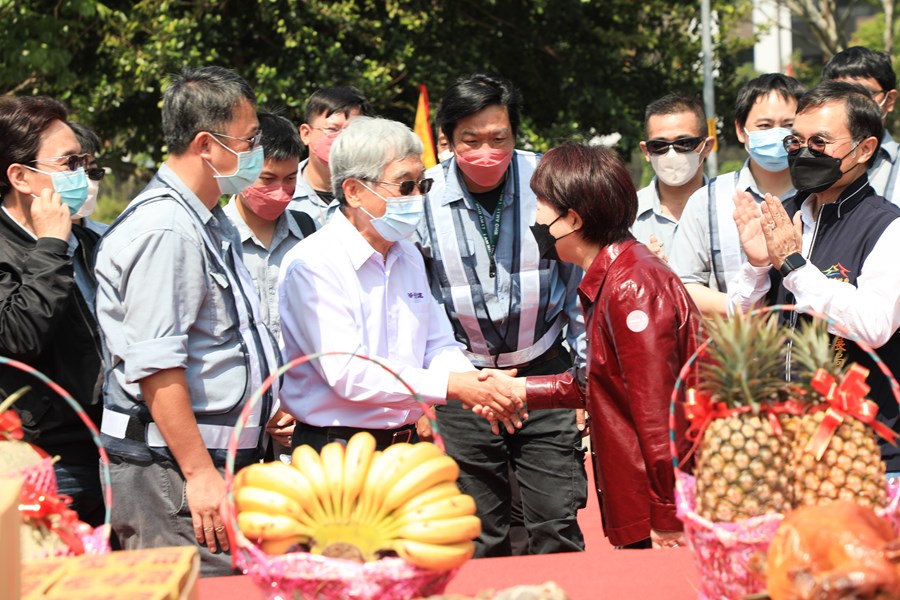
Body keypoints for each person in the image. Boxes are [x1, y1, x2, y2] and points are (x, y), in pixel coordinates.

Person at [94, 66, 282, 576]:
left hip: (206, 464)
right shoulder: (168, 229)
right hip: (172, 474)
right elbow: (157, 366)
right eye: (249, 141)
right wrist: (199, 473)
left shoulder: (204, 218)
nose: (255, 154)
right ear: (206, 144)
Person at [278, 116, 525, 453]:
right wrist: (455, 386)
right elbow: (349, 373)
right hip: (336, 450)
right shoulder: (314, 264)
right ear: (354, 191)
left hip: (405, 448)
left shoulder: (406, 254)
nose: (417, 198)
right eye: (405, 186)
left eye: (422, 185)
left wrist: (480, 384)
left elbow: (437, 344)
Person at [416, 74, 588, 558]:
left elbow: (579, 284)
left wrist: (584, 379)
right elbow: (418, 298)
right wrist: (431, 393)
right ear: (448, 138)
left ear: (515, 133)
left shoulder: (549, 184)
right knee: (474, 532)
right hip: (464, 383)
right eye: (472, 140)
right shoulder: (421, 196)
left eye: (500, 138)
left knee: (556, 521)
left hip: (545, 374)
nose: (487, 152)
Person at [508, 143, 701, 549]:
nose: (535, 218)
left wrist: (668, 515)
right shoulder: (615, 275)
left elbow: (657, 413)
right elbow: (600, 381)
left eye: (541, 206)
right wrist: (517, 390)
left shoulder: (631, 287)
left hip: (656, 513)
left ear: (571, 218)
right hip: (644, 502)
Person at [729, 80, 900, 474]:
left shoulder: (885, 227)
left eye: (820, 142)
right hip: (781, 437)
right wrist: (758, 264)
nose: (804, 153)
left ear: (865, 149)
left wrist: (793, 265)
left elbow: (873, 326)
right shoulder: (781, 214)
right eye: (795, 142)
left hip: (858, 447)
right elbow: (740, 319)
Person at [0, 96, 105, 527]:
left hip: (109, 447)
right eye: (69, 164)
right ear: (21, 176)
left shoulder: (87, 240)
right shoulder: (45, 243)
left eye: (84, 163)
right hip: (48, 458)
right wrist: (49, 247)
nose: (81, 176)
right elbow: (18, 334)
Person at [668, 74, 804, 315]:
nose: (778, 134)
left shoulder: (820, 198)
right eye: (764, 126)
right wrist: (741, 308)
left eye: (788, 125)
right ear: (741, 131)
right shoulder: (707, 200)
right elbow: (683, 284)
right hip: (736, 347)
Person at [632, 93, 713, 261]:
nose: (671, 154)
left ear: (707, 147)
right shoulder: (625, 217)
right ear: (646, 151)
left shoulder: (732, 210)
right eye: (658, 145)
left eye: (683, 143)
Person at [822, 46, 900, 206]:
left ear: (890, 100)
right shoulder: (810, 159)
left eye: (864, 94)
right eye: (840, 94)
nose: (852, 105)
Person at [290, 86, 371, 227]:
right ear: (306, 134)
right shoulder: (281, 191)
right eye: (333, 130)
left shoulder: (373, 195)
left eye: (353, 131)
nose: (342, 139)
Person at [68, 122, 109, 235]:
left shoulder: (108, 238)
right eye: (73, 171)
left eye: (93, 172)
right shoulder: (22, 246)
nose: (86, 183)